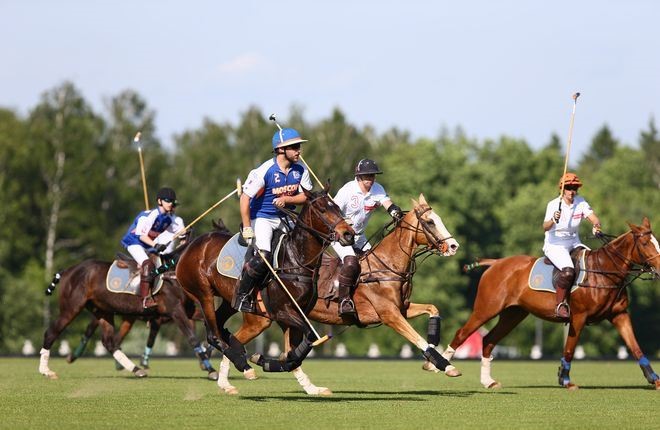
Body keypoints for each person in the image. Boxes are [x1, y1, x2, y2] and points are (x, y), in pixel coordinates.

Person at [233, 127, 313, 313]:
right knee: (264, 257)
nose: (299, 150)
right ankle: (243, 295)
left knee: (305, 248)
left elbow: (306, 197)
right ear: (280, 150)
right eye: (294, 147)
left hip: (287, 217)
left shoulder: (301, 170)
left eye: (298, 146)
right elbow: (245, 198)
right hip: (263, 218)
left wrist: (288, 200)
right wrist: (247, 227)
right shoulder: (264, 171)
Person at [331, 158, 403, 316]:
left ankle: (373, 299)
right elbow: (332, 211)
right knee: (350, 262)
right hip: (340, 236)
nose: (370, 179)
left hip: (360, 237)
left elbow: (388, 204)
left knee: (375, 264)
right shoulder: (347, 191)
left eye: (373, 176)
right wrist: (342, 222)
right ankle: (344, 301)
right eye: (367, 176)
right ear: (358, 176)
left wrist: (395, 212)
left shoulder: (377, 189)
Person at [542, 172, 601, 319]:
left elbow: (593, 218)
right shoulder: (554, 205)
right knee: (568, 271)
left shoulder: (581, 203)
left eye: (575, 188)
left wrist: (596, 226)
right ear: (562, 189)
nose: (572, 191)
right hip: (555, 245)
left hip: (574, 242)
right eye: (569, 187)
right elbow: (545, 227)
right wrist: (553, 220)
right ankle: (560, 305)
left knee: (592, 263)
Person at [121, 187, 185, 309]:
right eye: (167, 200)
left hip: (148, 246)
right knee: (148, 264)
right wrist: (155, 245)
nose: (170, 203)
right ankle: (145, 300)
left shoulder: (169, 219)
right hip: (134, 242)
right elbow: (142, 236)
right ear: (159, 201)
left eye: (172, 201)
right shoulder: (149, 215)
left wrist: (184, 238)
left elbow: (180, 233)